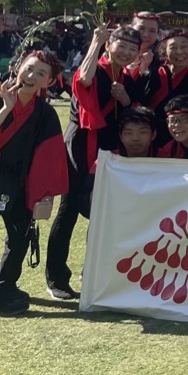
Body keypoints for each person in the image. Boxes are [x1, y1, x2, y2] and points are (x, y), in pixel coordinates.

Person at [0, 50, 69, 316]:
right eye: (29, 68)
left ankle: (5, 286)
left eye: (41, 73)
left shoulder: (44, 113)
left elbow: (50, 156)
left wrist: (42, 193)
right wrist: (6, 107)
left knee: (21, 236)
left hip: (17, 183)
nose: (31, 76)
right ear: (18, 68)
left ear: (49, 81)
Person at [46, 25, 142, 300]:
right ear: (109, 45)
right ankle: (56, 279)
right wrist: (95, 42)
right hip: (80, 146)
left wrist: (126, 100)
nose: (126, 52)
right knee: (68, 211)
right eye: (121, 45)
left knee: (102, 212)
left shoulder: (124, 76)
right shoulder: (95, 68)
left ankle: (92, 272)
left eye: (132, 49)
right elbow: (83, 79)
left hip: (108, 149)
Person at [139, 29, 188, 146]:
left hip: (184, 138)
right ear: (164, 52)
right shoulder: (152, 75)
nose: (179, 52)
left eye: (184, 47)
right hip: (152, 136)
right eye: (173, 47)